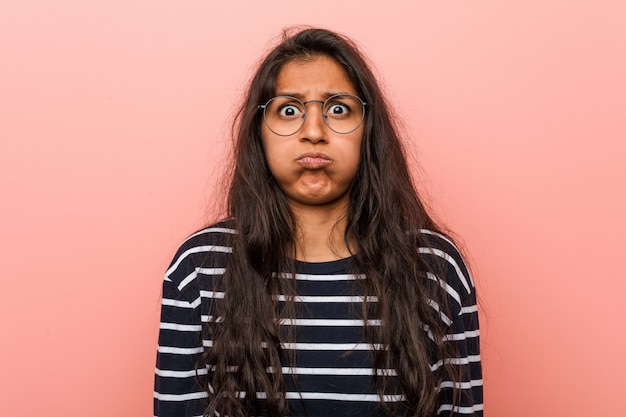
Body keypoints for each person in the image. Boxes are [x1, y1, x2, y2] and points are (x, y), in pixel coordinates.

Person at [154, 27, 483, 417]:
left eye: (338, 109)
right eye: (289, 110)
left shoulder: (436, 267)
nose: (313, 132)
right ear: (259, 132)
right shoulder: (200, 267)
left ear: (368, 128)